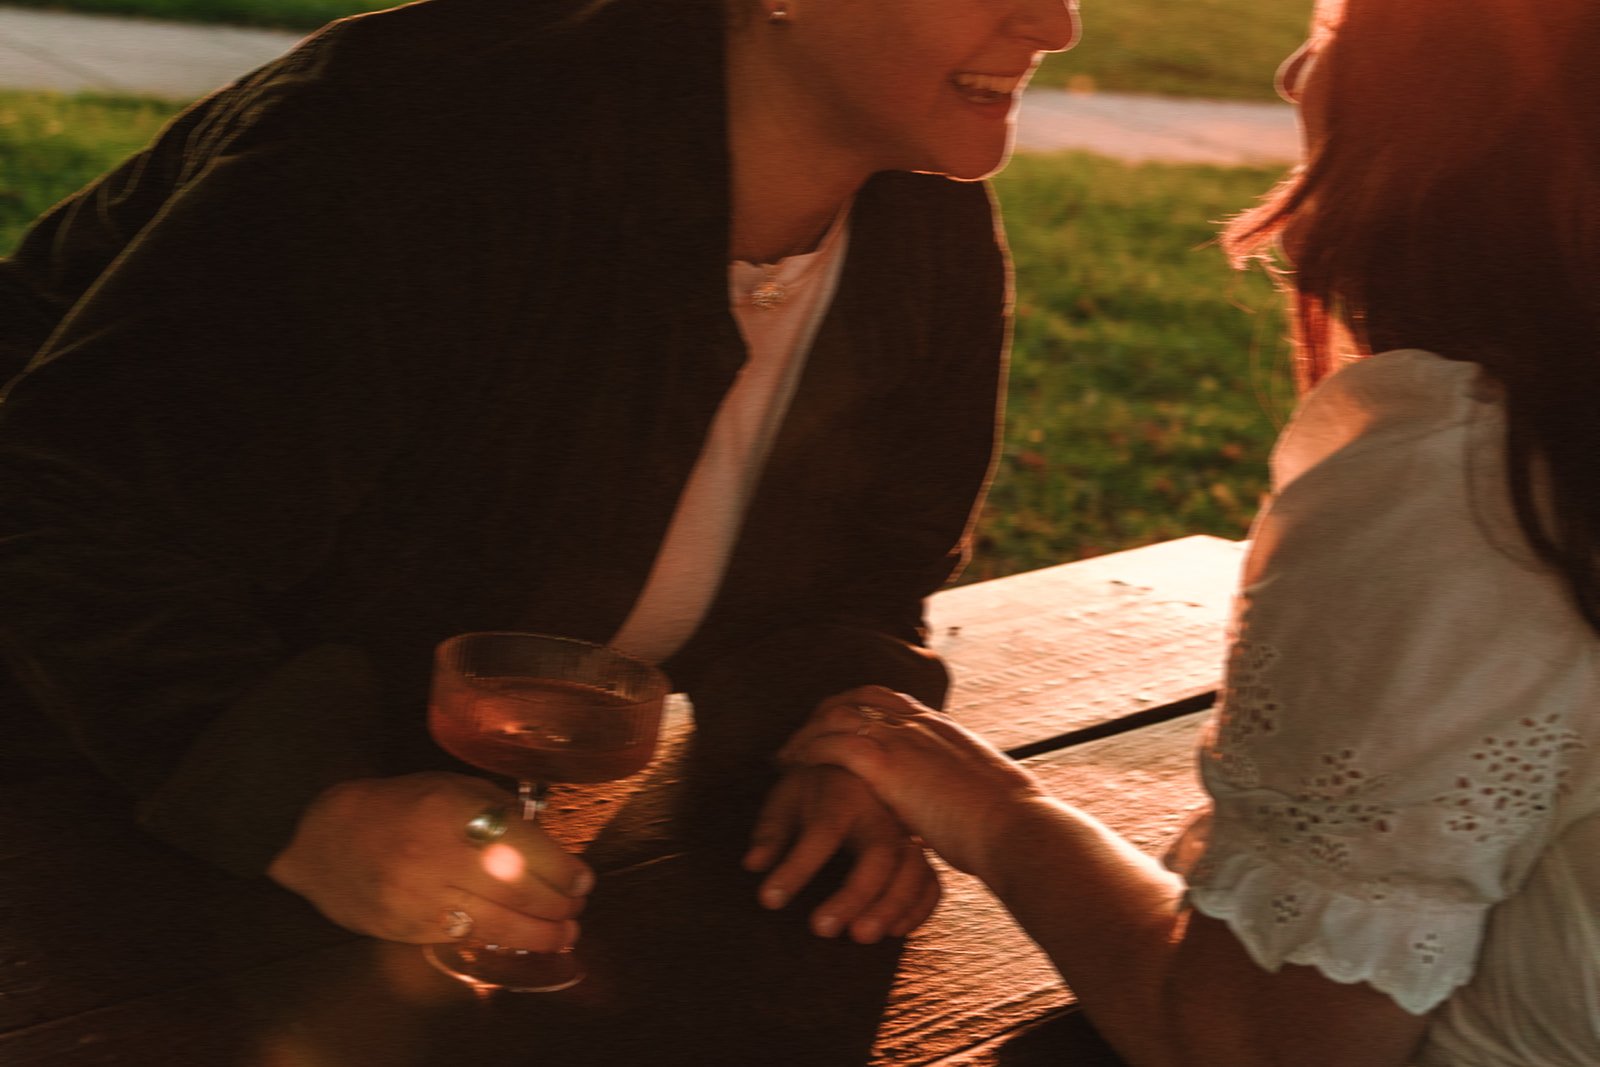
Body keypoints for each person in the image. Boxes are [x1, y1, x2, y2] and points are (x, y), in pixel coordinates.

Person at [0, 0, 1079, 953]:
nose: (1055, 23)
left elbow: (867, 574)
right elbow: (73, 502)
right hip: (75, 789)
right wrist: (303, 808)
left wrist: (838, 744)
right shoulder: (423, 134)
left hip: (442, 865)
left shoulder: (922, 225)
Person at [782, 1, 1600, 1063]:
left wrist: (997, 812)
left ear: (1454, 97)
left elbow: (1249, 1043)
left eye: (1335, 28)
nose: (1291, 74)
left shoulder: (1473, 480)